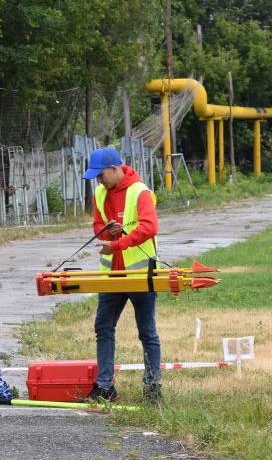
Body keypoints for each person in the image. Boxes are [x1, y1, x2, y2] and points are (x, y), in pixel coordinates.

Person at [82, 147, 162, 404]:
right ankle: (105, 387)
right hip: (112, 275)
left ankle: (153, 388)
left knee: (147, 332)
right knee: (103, 327)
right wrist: (108, 231)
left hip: (139, 274)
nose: (99, 180)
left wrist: (118, 243)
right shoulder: (100, 193)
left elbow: (150, 227)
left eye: (101, 175)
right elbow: (97, 225)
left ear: (115, 169)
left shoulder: (139, 191)